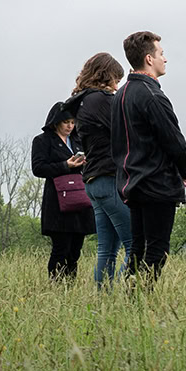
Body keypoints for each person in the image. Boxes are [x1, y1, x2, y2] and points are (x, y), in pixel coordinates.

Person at [112, 31, 186, 284]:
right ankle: (141, 299)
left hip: (130, 182)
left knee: (137, 248)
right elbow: (175, 142)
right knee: (156, 250)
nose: (165, 59)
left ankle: (130, 299)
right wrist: (183, 173)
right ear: (149, 58)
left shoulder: (120, 95)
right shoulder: (152, 96)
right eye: (161, 54)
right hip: (157, 183)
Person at [66, 52, 130, 285]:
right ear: (106, 76)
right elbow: (124, 132)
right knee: (137, 244)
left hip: (93, 180)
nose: (117, 86)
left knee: (108, 250)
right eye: (116, 79)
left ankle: (103, 302)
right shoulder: (100, 100)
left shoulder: (83, 102)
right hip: (109, 177)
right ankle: (132, 298)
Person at [29, 101, 91, 281]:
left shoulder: (79, 141)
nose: (70, 126)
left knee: (75, 250)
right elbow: (38, 168)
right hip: (58, 200)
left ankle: (70, 286)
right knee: (60, 248)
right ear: (56, 122)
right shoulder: (42, 141)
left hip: (80, 198)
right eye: (66, 123)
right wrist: (66, 165)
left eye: (73, 122)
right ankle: (55, 285)